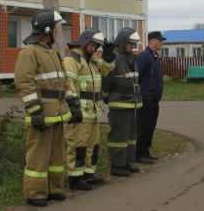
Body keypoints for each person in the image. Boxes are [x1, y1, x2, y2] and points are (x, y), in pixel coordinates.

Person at [14, 9, 82, 207]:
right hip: (42, 114)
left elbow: (65, 82)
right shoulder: (29, 53)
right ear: (46, 29)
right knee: (38, 156)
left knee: (55, 155)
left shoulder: (52, 53)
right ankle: (35, 193)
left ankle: (54, 189)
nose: (56, 32)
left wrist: (73, 103)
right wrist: (34, 111)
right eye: (54, 28)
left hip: (58, 113)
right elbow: (24, 83)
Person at [63, 28, 116, 190]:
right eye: (94, 45)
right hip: (79, 112)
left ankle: (88, 174)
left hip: (93, 112)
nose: (95, 49)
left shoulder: (93, 60)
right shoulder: (72, 60)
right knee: (77, 146)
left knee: (93, 145)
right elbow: (68, 84)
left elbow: (107, 69)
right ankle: (75, 178)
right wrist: (73, 107)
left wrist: (108, 55)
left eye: (97, 46)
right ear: (85, 42)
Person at [103, 27, 143, 177]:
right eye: (130, 44)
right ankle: (117, 166)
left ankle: (127, 162)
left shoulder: (130, 58)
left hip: (131, 103)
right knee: (119, 137)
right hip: (119, 104)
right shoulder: (114, 58)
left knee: (130, 136)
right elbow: (106, 80)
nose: (132, 47)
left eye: (133, 44)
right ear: (122, 42)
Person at [136, 31, 165, 163]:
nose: (162, 43)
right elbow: (138, 76)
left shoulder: (154, 56)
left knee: (151, 126)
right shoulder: (144, 56)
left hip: (154, 99)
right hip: (146, 98)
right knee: (143, 126)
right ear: (153, 41)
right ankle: (139, 153)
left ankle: (146, 150)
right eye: (160, 40)